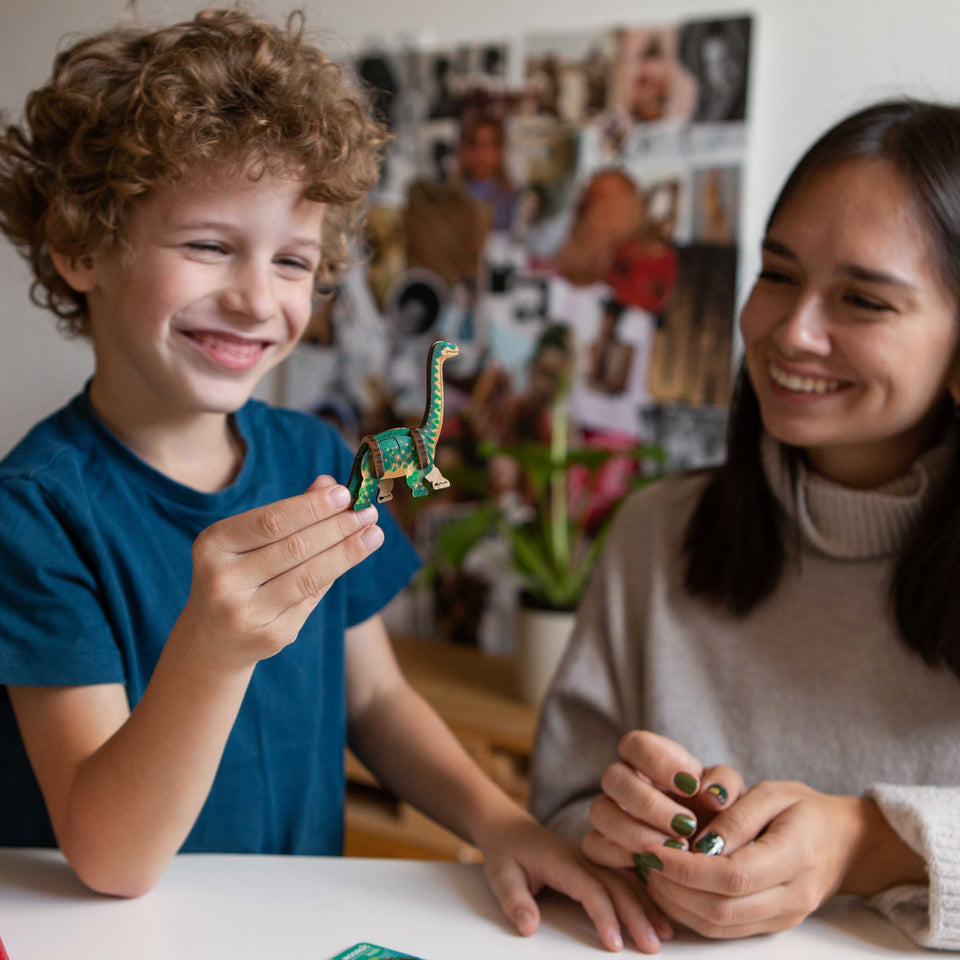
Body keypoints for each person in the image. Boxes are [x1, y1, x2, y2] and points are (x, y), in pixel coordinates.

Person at [0, 10, 667, 953]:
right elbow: (108, 858)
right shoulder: (33, 512)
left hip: (294, 928)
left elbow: (376, 702)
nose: (256, 296)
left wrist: (501, 824)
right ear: (82, 247)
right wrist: (214, 649)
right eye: (206, 245)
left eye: (293, 261)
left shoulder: (317, 459)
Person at [530, 98, 960, 950]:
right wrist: (625, 838)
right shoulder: (658, 532)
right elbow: (563, 810)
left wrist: (866, 845)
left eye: (864, 301)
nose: (791, 332)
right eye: (778, 274)